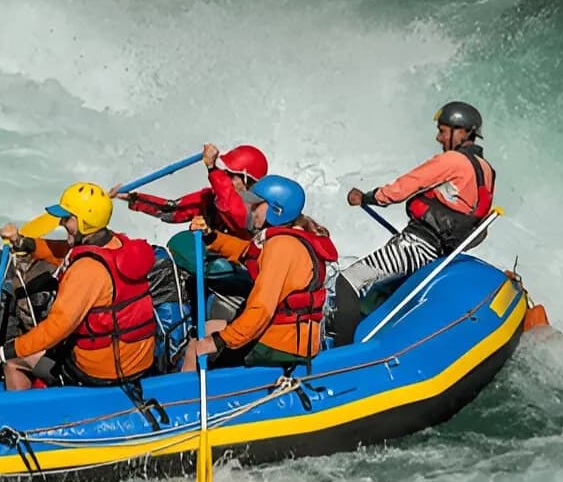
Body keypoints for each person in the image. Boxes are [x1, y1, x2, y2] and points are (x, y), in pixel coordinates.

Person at [333, 101, 496, 345]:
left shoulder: (453, 161)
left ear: (462, 132)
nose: (439, 138)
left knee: (347, 282)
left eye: (443, 131)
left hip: (417, 246)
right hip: (440, 254)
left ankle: (340, 354)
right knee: (380, 293)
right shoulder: (487, 170)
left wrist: (365, 197)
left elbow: (404, 187)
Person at [0, 182, 156, 390]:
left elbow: (56, 328)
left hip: (101, 372)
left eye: (68, 218)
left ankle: (27, 419)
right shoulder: (117, 243)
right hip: (138, 360)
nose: (61, 222)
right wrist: (23, 242)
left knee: (14, 361)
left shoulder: (86, 271)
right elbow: (67, 252)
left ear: (85, 223)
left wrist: (0, 353)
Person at [183, 175, 338, 370]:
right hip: (286, 336)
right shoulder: (286, 240)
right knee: (206, 328)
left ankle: (183, 397)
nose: (251, 209)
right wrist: (211, 236)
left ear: (276, 211)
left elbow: (261, 310)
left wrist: (219, 342)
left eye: (256, 205)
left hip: (280, 345)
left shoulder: (282, 246)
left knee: (195, 347)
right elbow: (248, 252)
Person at [111, 143, 268, 259]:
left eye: (231, 175)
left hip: (243, 273)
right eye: (224, 172)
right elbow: (172, 211)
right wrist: (134, 199)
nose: (225, 177)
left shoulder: (262, 211)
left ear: (249, 182)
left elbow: (233, 210)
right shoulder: (212, 198)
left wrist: (213, 169)